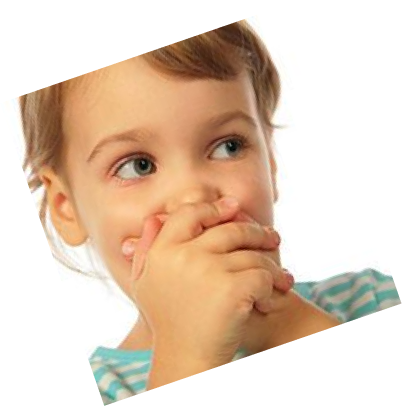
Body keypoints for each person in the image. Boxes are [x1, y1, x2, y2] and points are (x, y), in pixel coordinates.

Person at [18, 21, 399, 404]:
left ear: (269, 162)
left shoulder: (369, 298)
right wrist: (186, 356)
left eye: (229, 146)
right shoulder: (108, 389)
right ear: (67, 209)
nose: (193, 196)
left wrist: (283, 324)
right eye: (138, 166)